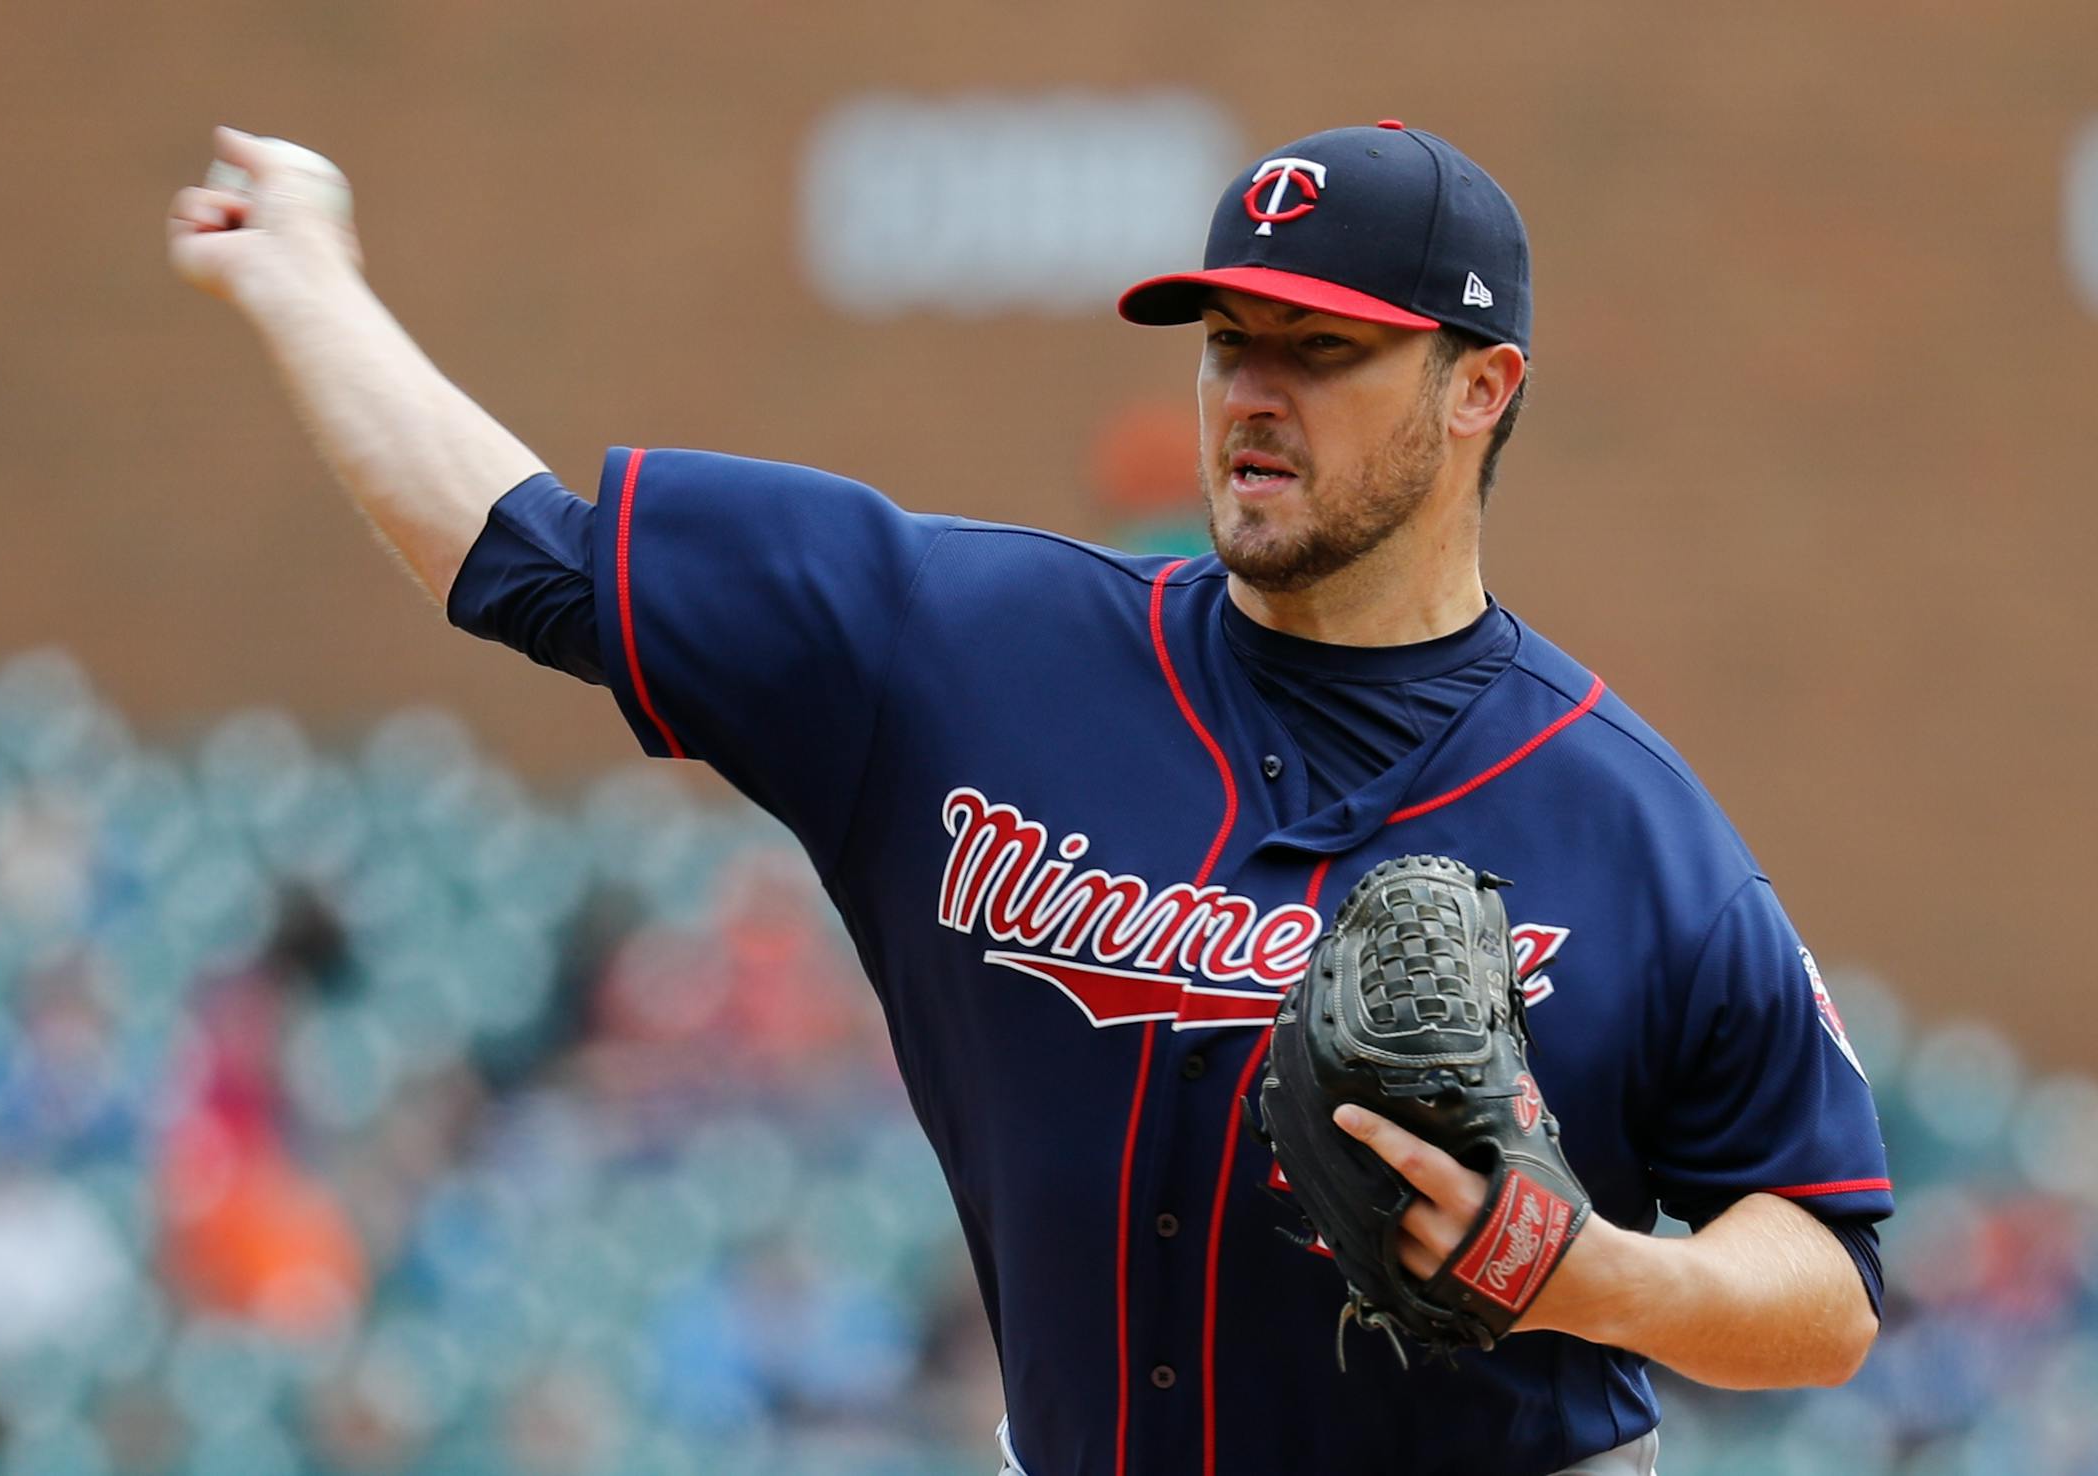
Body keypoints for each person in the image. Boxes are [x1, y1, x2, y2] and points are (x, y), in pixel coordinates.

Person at [169, 120, 1893, 1476]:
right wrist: (308, 280)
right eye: (1229, 340)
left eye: (1322, 348)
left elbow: (1824, 1282)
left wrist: (1592, 1271)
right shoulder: (967, 651)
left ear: (1479, 389)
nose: (1252, 394)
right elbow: (524, 553)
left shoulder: (1629, 822)